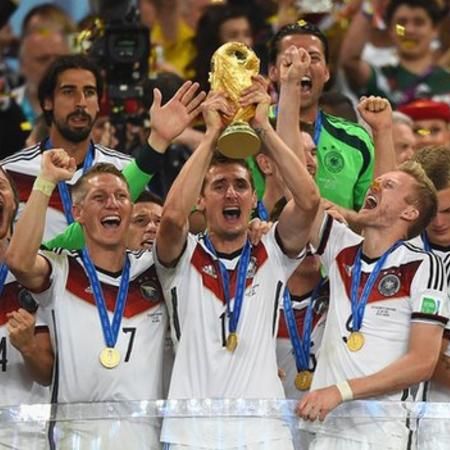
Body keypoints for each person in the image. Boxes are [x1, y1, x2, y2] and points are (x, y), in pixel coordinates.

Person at [154, 61, 320, 447]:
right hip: (191, 435)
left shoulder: (272, 250)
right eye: (219, 186)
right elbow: (173, 217)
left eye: (241, 185)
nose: (231, 193)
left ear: (252, 197)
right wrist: (211, 135)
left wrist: (263, 127)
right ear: (201, 200)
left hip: (263, 434)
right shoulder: (182, 256)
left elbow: (309, 202)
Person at [6, 153, 167, 450]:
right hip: (75, 437)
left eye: (121, 196)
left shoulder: (154, 271)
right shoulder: (62, 270)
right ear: (78, 212)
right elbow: (18, 261)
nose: (112, 203)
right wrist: (46, 181)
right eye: (99, 197)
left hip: (145, 437)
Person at [295, 160, 448, 449]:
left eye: (389, 185)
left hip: (381, 435)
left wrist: (341, 391)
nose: (375, 185)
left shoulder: (424, 265)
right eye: (376, 182)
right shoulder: (340, 248)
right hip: (325, 429)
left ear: (410, 212)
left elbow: (422, 362)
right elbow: (301, 196)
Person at [2, 54, 205, 244]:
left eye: (89, 92)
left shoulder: (124, 167)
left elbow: (166, 229)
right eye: (68, 92)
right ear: (47, 102)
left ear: (99, 104)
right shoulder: (10, 173)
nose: (81, 103)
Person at [267, 21, 375, 211]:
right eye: (291, 57)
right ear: (273, 72)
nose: (301, 65)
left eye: (313, 57)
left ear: (326, 72)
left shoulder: (356, 140)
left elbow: (373, 216)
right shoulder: (249, 132)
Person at [0, 167, 52, 449]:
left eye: (0, 185)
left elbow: (46, 374)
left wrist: (28, 347)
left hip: (24, 437)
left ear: (14, 203)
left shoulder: (39, 273)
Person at [411, 146, 450, 450]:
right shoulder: (399, 254)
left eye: (448, 211)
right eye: (431, 211)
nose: (438, 222)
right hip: (399, 416)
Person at [341, 0, 450, 107]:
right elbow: (350, 61)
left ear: (435, 29)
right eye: (401, 23)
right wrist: (369, 5)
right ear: (390, 30)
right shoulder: (382, 76)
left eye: (419, 23)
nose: (409, 30)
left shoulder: (446, 78)